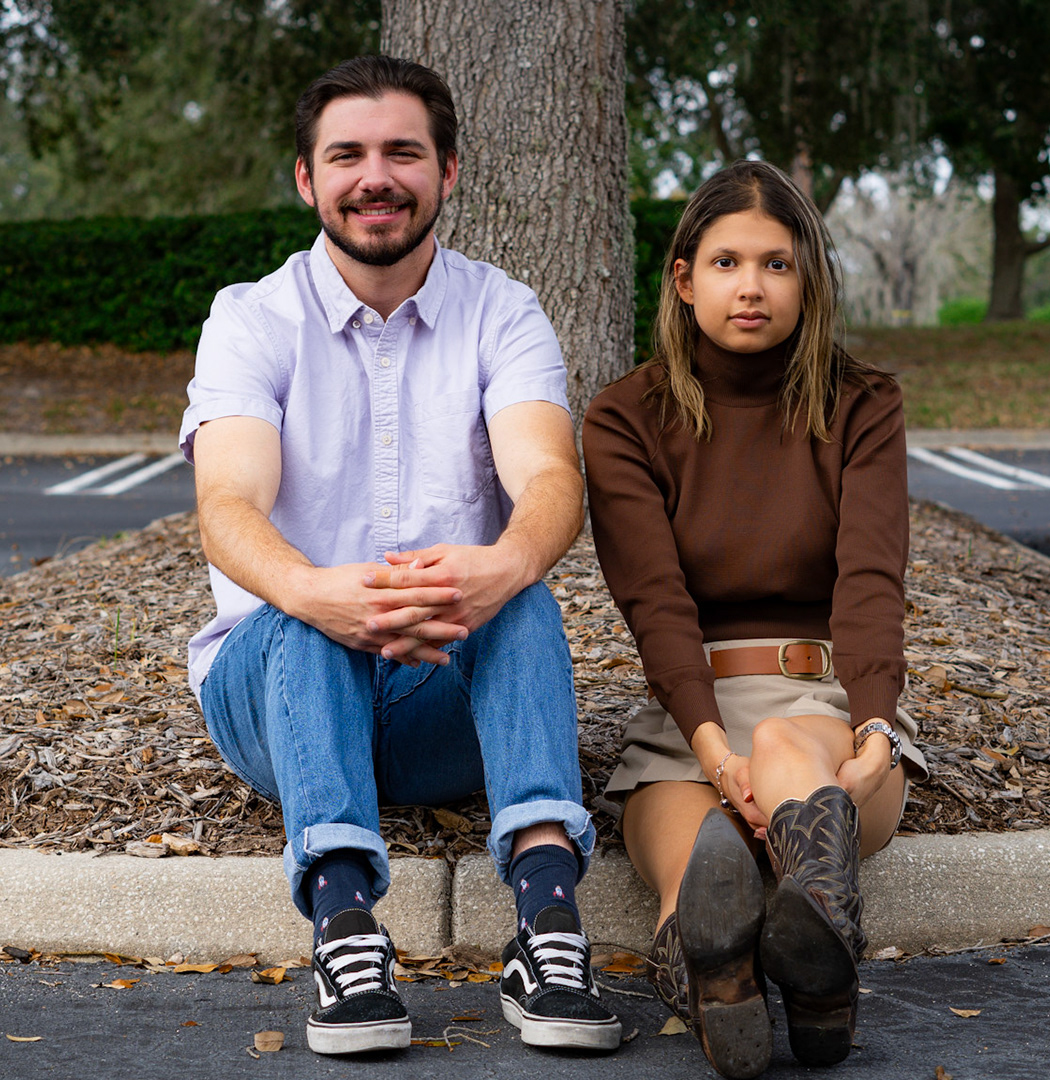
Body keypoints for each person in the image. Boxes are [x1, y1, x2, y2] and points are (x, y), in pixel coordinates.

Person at [178, 55, 621, 1057]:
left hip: (437, 697)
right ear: (308, 179)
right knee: (302, 614)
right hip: (276, 698)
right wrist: (319, 593)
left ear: (447, 171)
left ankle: (549, 929)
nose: (374, 177)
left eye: (402, 153)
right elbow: (228, 507)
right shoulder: (252, 318)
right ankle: (345, 932)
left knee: (522, 594)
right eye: (347, 155)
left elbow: (551, 478)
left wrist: (506, 563)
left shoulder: (502, 311)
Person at [582, 159, 930, 1077]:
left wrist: (876, 734)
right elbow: (656, 604)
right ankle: (733, 989)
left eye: (777, 264)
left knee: (781, 747)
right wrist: (710, 751)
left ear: (808, 279)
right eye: (727, 263)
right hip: (688, 722)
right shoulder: (625, 417)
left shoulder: (862, 404)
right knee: (699, 868)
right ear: (683, 278)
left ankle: (819, 952)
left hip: (825, 710)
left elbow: (870, 581)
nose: (751, 287)